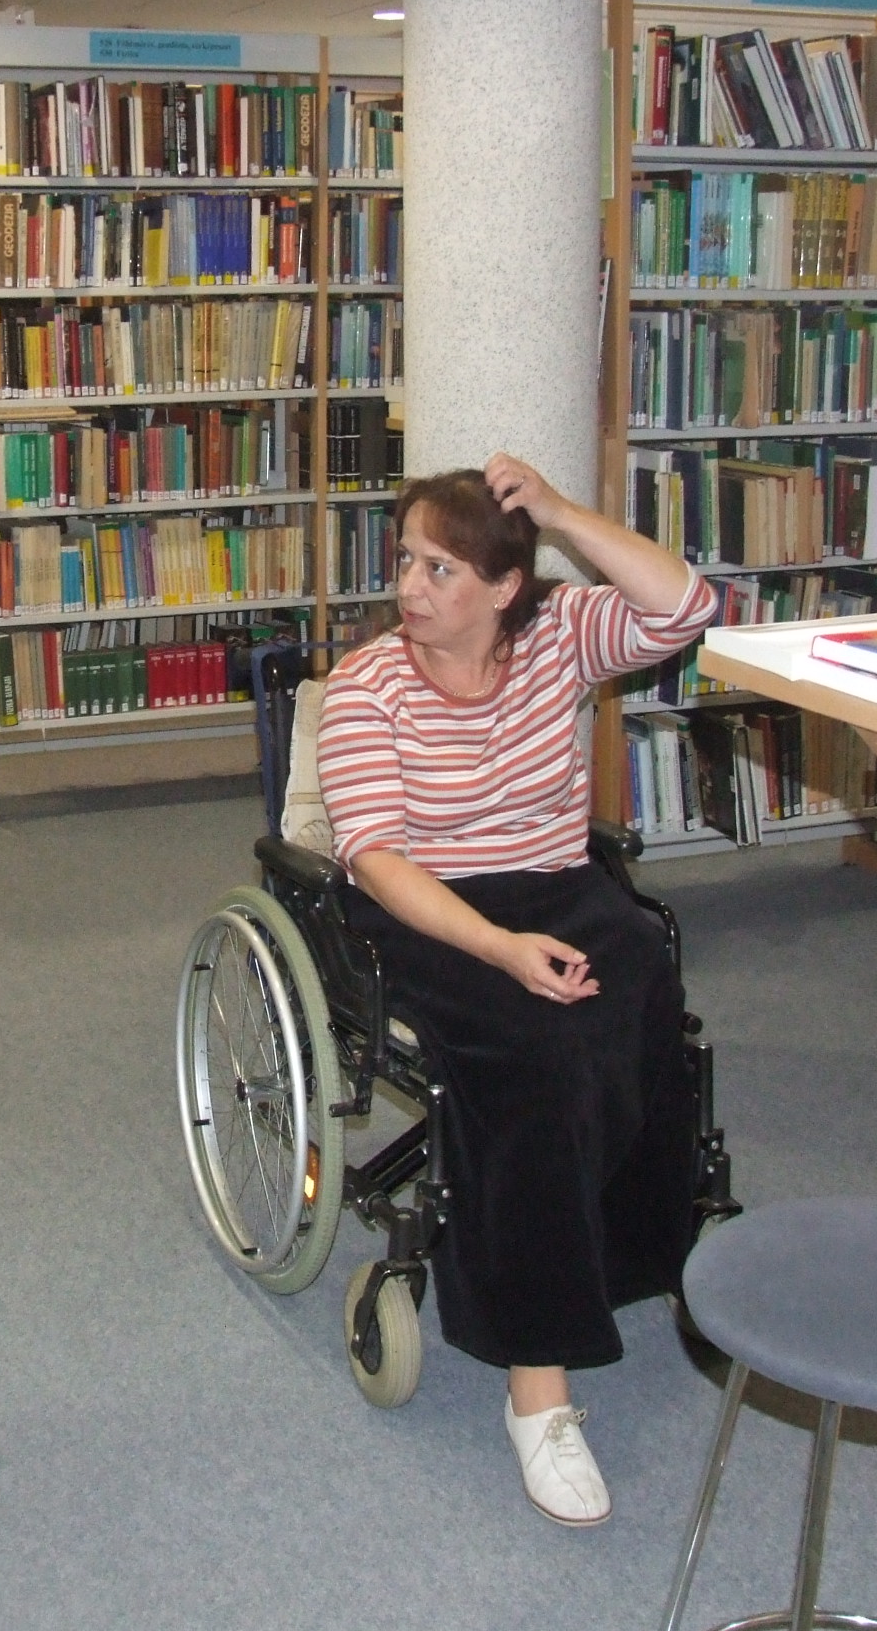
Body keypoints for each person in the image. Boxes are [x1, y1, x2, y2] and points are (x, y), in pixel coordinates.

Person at [316, 453, 716, 1528]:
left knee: (642, 984)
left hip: (553, 880)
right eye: (406, 560)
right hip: (430, 906)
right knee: (535, 1055)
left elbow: (686, 605)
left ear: (505, 589)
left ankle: (627, 1256)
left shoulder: (558, 636)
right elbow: (376, 858)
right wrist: (500, 949)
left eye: (439, 569)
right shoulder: (368, 688)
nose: (408, 587)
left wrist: (560, 512)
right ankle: (537, 1385)